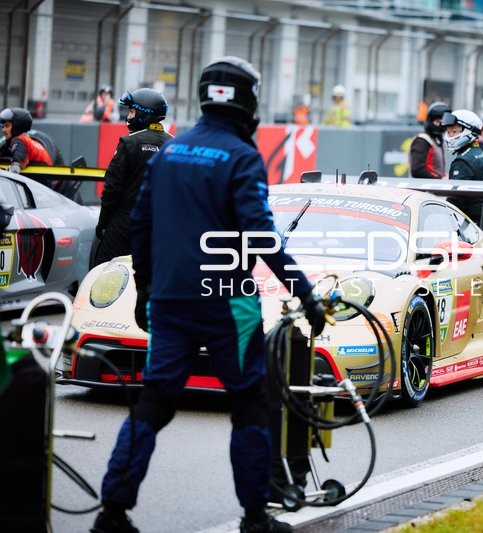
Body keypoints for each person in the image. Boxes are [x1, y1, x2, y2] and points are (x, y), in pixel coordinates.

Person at [91, 56, 327, 533]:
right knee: (249, 404)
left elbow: (140, 224)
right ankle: (255, 518)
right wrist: (304, 293)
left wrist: (145, 289)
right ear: (246, 100)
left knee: (154, 402)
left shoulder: (171, 153)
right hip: (229, 300)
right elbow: (261, 235)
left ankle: (111, 513)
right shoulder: (241, 157)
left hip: (170, 299)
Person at [93, 88, 173, 267]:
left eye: (131, 111)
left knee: (102, 273)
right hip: (159, 225)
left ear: (144, 114)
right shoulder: (175, 145)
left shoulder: (129, 143)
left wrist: (103, 223)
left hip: (124, 224)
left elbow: (111, 190)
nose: (128, 117)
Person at [441, 109, 483, 234]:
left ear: (469, 131)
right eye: (448, 132)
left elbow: (455, 202)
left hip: (470, 230)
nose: (450, 136)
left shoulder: (462, 161)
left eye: (454, 132)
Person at [0, 107, 58, 173]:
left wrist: (15, 164)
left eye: (7, 126)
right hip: (45, 176)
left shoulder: (19, 140)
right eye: (3, 126)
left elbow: (18, 157)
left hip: (38, 176)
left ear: (17, 126)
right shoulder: (30, 141)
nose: (3, 130)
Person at [408, 101, 451, 179]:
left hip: (433, 187)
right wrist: (440, 179)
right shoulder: (422, 141)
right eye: (438, 122)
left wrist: (444, 175)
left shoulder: (436, 140)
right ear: (430, 121)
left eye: (443, 122)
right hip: (422, 189)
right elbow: (417, 170)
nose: (441, 125)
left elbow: (434, 169)